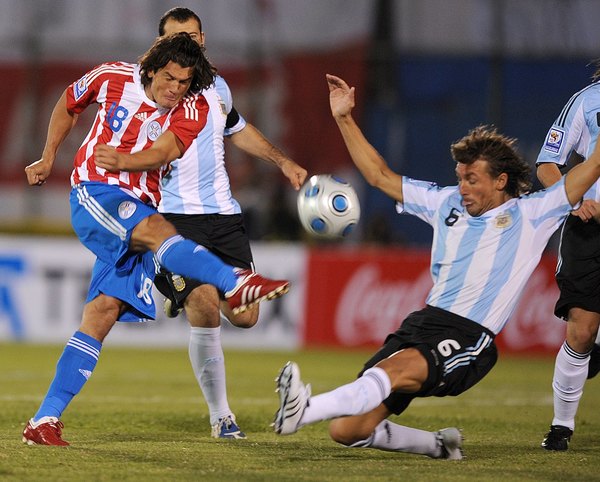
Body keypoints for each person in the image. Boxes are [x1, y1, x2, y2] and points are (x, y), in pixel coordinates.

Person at [272, 74, 600, 460]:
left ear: (501, 181)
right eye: (459, 177)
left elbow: (590, 166)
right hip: (422, 323)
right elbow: (379, 175)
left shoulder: (532, 213)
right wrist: (344, 117)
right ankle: (437, 446)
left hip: (469, 337)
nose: (461, 187)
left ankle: (304, 408)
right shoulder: (443, 203)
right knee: (347, 429)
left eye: (471, 179)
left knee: (392, 374)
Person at [22, 33, 289, 447]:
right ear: (150, 69)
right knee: (160, 232)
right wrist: (48, 154)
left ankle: (44, 421)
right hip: (97, 192)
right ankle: (233, 281)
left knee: (102, 311)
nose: (175, 88)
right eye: (168, 78)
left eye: (184, 81)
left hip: (142, 206)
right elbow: (68, 102)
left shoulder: (196, 106)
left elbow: (166, 150)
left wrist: (128, 160)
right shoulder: (112, 76)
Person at [150, 7, 307, 439]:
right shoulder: (150, 87)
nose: (188, 41)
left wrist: (283, 161)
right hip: (175, 216)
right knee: (204, 305)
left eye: (194, 35)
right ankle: (222, 417)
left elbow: (237, 129)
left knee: (247, 316)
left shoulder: (218, 86)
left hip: (223, 216)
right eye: (177, 36)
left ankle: (174, 287)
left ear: (203, 39)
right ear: (160, 43)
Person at [536, 66, 600, 451]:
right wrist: (572, 200)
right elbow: (547, 164)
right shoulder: (586, 101)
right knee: (581, 330)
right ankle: (561, 427)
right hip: (589, 231)